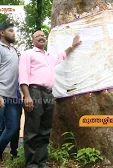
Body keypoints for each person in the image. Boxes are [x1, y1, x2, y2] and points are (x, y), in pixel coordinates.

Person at [19, 30, 81, 168]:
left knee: (45, 130)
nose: (41, 37)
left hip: (48, 94)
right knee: (32, 129)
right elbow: (23, 76)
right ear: (33, 40)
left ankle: (42, 161)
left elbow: (62, 56)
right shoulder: (28, 54)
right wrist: (27, 96)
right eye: (37, 36)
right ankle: (32, 164)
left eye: (43, 36)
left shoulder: (50, 56)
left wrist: (73, 45)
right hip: (34, 92)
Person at [0, 22, 21, 168]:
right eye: (10, 31)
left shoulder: (14, 50)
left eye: (14, 31)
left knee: (13, 127)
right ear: (2, 33)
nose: (14, 33)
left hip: (13, 96)